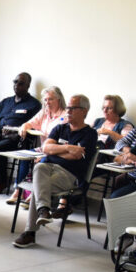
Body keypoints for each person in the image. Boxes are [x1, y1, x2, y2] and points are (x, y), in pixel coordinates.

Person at [12, 95, 97, 248]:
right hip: (47, 169)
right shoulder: (60, 128)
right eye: (68, 108)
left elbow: (76, 156)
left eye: (72, 108)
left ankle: (31, 231)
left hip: (70, 175)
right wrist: (68, 148)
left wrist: (56, 151)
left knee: (39, 187)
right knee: (39, 168)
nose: (68, 111)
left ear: (84, 111)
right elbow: (46, 148)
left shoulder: (90, 134)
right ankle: (43, 210)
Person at [7, 85, 67, 204]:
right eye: (45, 99)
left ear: (59, 99)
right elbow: (30, 123)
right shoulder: (44, 112)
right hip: (42, 148)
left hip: (55, 151)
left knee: (41, 163)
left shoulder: (64, 116)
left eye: (50, 99)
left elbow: (61, 141)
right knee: (25, 157)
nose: (47, 102)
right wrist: (24, 127)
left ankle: (34, 194)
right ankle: (18, 190)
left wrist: (44, 154)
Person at [0, 72, 42, 193]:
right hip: (0, 135)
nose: (17, 85)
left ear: (28, 85)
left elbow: (35, 126)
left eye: (21, 83)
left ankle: (2, 182)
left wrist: (14, 130)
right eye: (15, 82)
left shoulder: (34, 104)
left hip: (19, 139)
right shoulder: (6, 101)